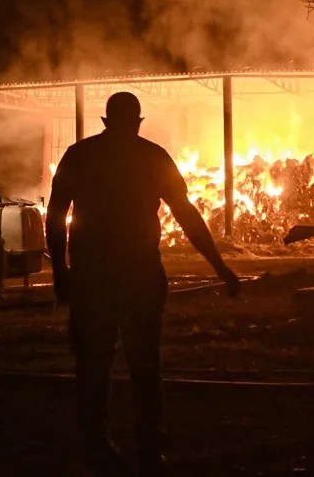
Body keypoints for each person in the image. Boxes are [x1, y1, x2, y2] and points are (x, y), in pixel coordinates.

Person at [46, 92, 240, 476]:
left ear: (105, 120)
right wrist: (220, 267)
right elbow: (186, 215)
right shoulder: (153, 157)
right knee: (145, 365)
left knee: (93, 365)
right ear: (137, 121)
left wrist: (60, 272)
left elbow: (55, 215)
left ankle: (96, 446)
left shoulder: (79, 155)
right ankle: (149, 450)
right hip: (139, 275)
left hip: (92, 276)